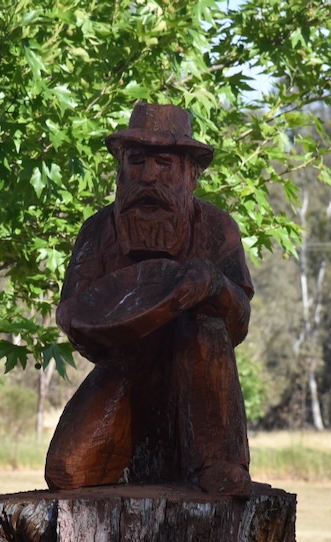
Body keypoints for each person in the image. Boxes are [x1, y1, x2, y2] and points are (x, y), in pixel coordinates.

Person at [44, 103, 254, 495]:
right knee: (67, 473)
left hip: (198, 377)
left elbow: (238, 323)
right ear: (120, 169)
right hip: (126, 369)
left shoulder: (216, 227)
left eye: (164, 164)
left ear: (191, 175)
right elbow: (74, 312)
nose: (148, 176)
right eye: (137, 162)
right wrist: (94, 325)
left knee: (205, 331)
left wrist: (213, 284)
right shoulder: (97, 230)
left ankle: (220, 461)